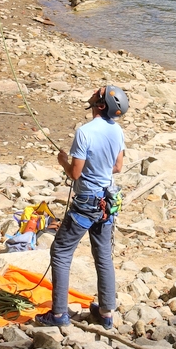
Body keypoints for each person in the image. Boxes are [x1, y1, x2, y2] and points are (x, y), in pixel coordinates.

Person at [35, 85, 129, 330]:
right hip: (108, 201)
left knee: (61, 251)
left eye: (98, 94)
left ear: (100, 106)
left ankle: (58, 314)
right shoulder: (117, 130)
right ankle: (106, 313)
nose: (94, 94)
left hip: (87, 201)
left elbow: (75, 173)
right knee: (103, 256)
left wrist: (63, 161)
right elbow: (117, 167)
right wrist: (97, 170)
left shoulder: (85, 131)